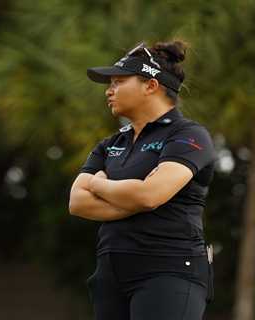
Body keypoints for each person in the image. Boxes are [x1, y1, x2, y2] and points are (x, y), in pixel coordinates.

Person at [69, 40, 216, 320]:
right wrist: (136, 196)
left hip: (169, 271)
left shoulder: (189, 135)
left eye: (119, 81)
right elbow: (77, 202)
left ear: (151, 85)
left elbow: (150, 195)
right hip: (111, 273)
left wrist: (100, 185)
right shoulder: (111, 144)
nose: (108, 90)